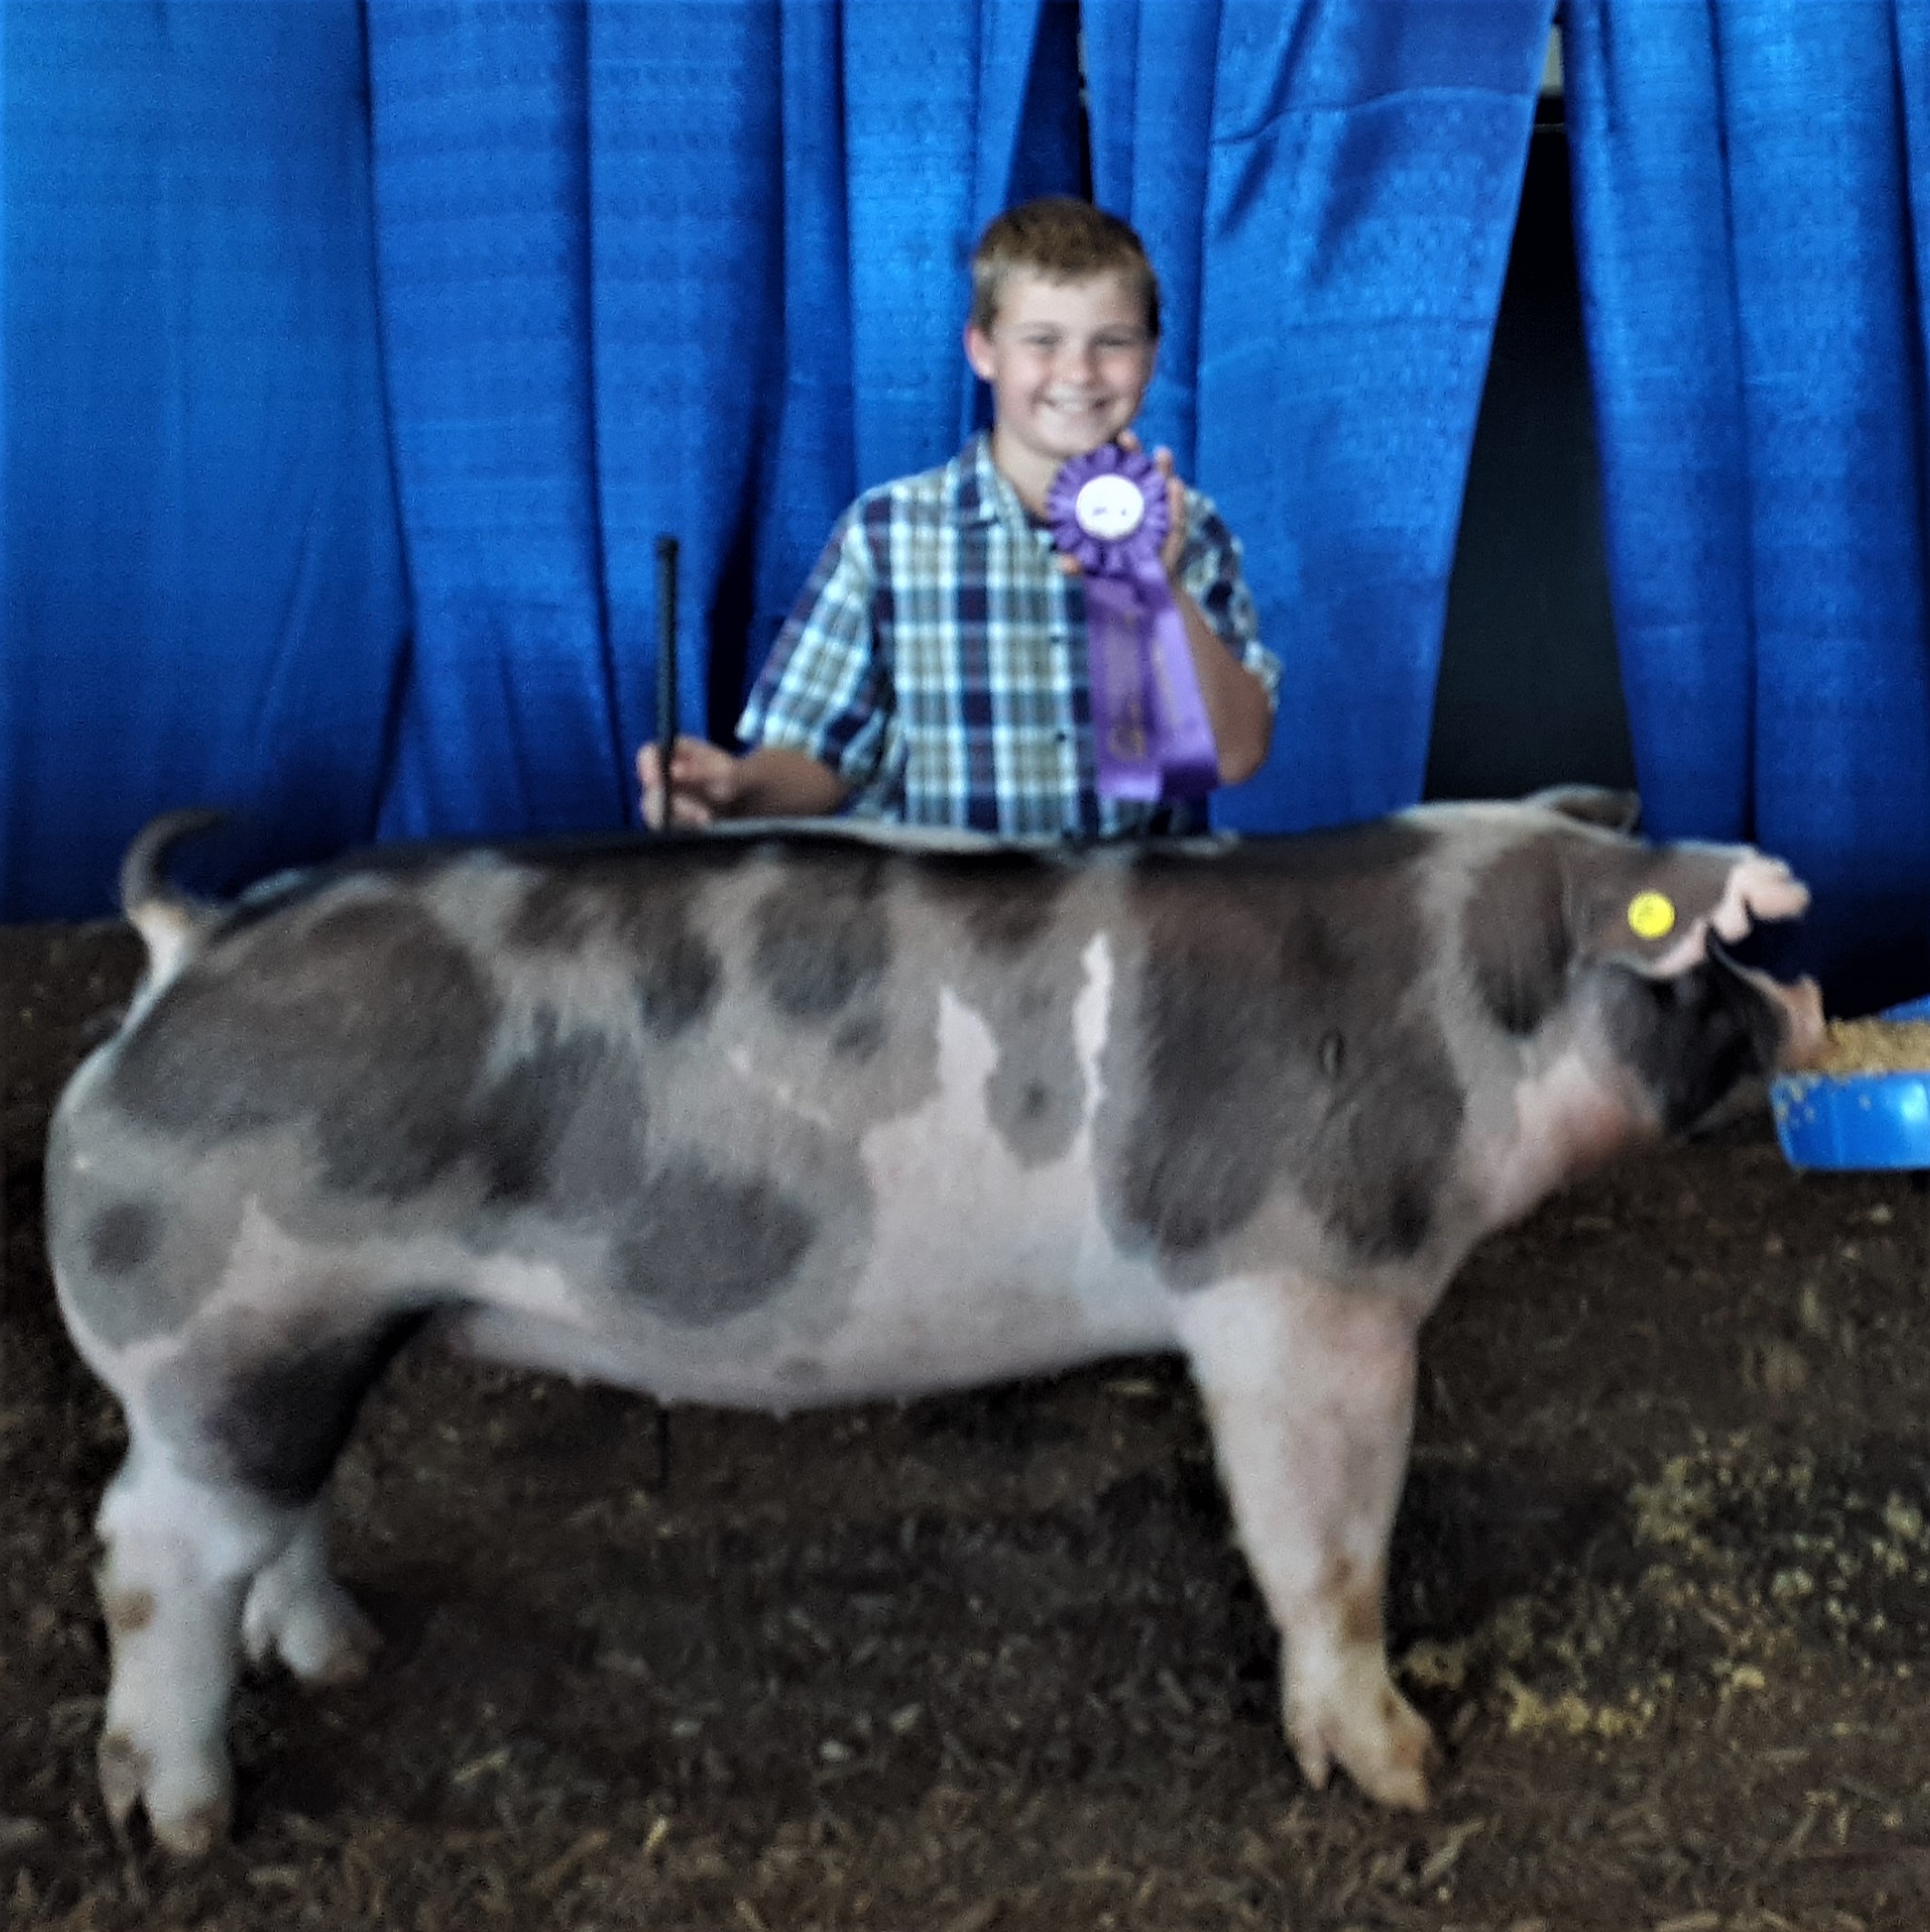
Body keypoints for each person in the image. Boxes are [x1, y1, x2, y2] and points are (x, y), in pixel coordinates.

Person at [638, 196, 1280, 837]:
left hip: (1126, 898)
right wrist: (734, 791)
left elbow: (1234, 755)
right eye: (1042, 341)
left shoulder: (1186, 528)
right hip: (932, 898)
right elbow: (819, 758)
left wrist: (1154, 590)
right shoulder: (886, 533)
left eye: (1112, 342)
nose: (1079, 373)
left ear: (1151, 356)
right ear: (983, 350)